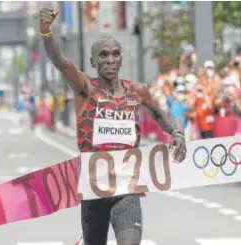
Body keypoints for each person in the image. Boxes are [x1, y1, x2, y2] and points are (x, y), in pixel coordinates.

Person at [39, 8, 187, 245]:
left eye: (115, 55)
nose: (110, 60)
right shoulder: (85, 88)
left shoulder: (136, 91)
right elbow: (61, 62)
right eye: (103, 55)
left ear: (121, 58)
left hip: (126, 187)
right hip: (94, 188)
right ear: (93, 61)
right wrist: (46, 32)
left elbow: (159, 114)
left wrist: (176, 132)